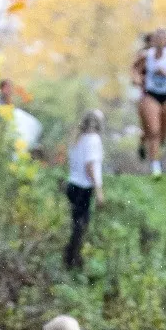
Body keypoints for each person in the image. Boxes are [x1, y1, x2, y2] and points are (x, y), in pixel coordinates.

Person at [63, 112, 105, 269]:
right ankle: (73, 259)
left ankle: (72, 257)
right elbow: (90, 166)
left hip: (72, 184)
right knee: (81, 225)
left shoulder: (78, 138)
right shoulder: (94, 140)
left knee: (76, 224)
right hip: (83, 187)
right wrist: (99, 190)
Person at [134, 31, 166, 179]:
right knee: (153, 130)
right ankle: (155, 167)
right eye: (156, 39)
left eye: (162, 39)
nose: (158, 42)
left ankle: (145, 143)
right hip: (149, 94)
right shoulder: (145, 55)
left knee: (162, 132)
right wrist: (138, 79)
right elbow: (135, 70)